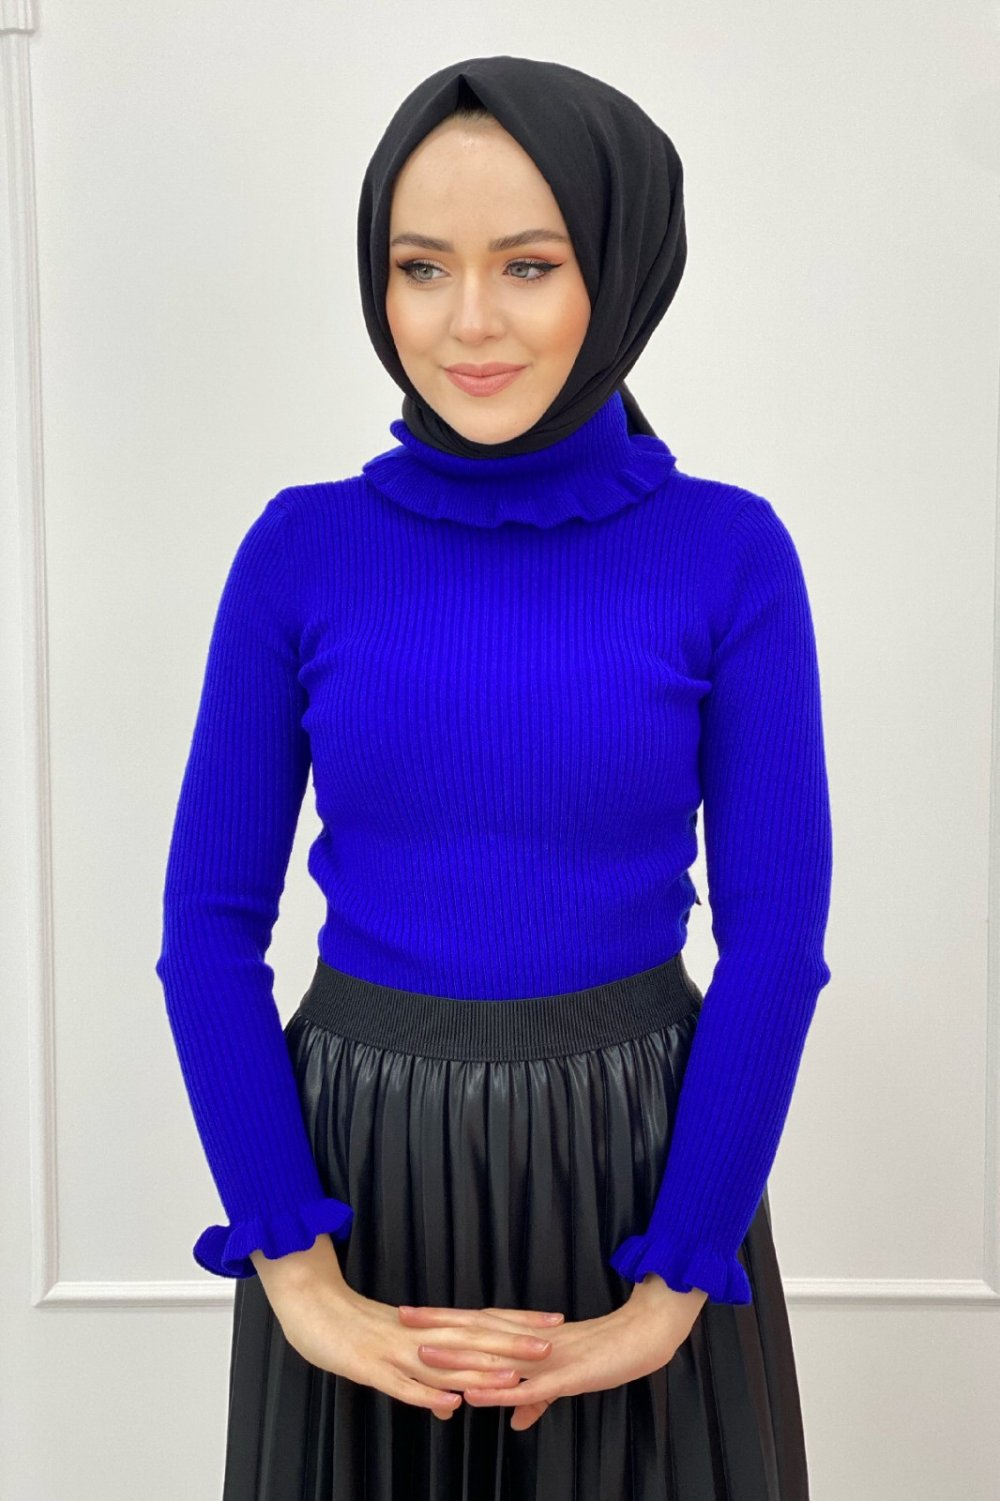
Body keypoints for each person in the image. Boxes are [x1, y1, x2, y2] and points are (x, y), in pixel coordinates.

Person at [154, 54, 833, 1500]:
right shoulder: (299, 551)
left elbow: (777, 941)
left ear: (620, 272)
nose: (467, 322)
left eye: (528, 265)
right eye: (422, 267)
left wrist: (671, 1290)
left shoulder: (729, 553)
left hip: (644, 1173)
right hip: (358, 1179)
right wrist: (298, 1275)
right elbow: (206, 929)